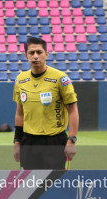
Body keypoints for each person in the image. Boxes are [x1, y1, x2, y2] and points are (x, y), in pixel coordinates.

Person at [13, 36, 79, 170]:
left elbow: (73, 111)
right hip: (29, 142)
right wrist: (17, 142)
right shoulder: (20, 79)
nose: (35, 56)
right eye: (31, 53)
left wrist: (71, 140)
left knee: (54, 185)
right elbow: (20, 113)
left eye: (39, 52)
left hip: (54, 141)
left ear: (46, 54)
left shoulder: (60, 78)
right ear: (26, 55)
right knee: (29, 186)